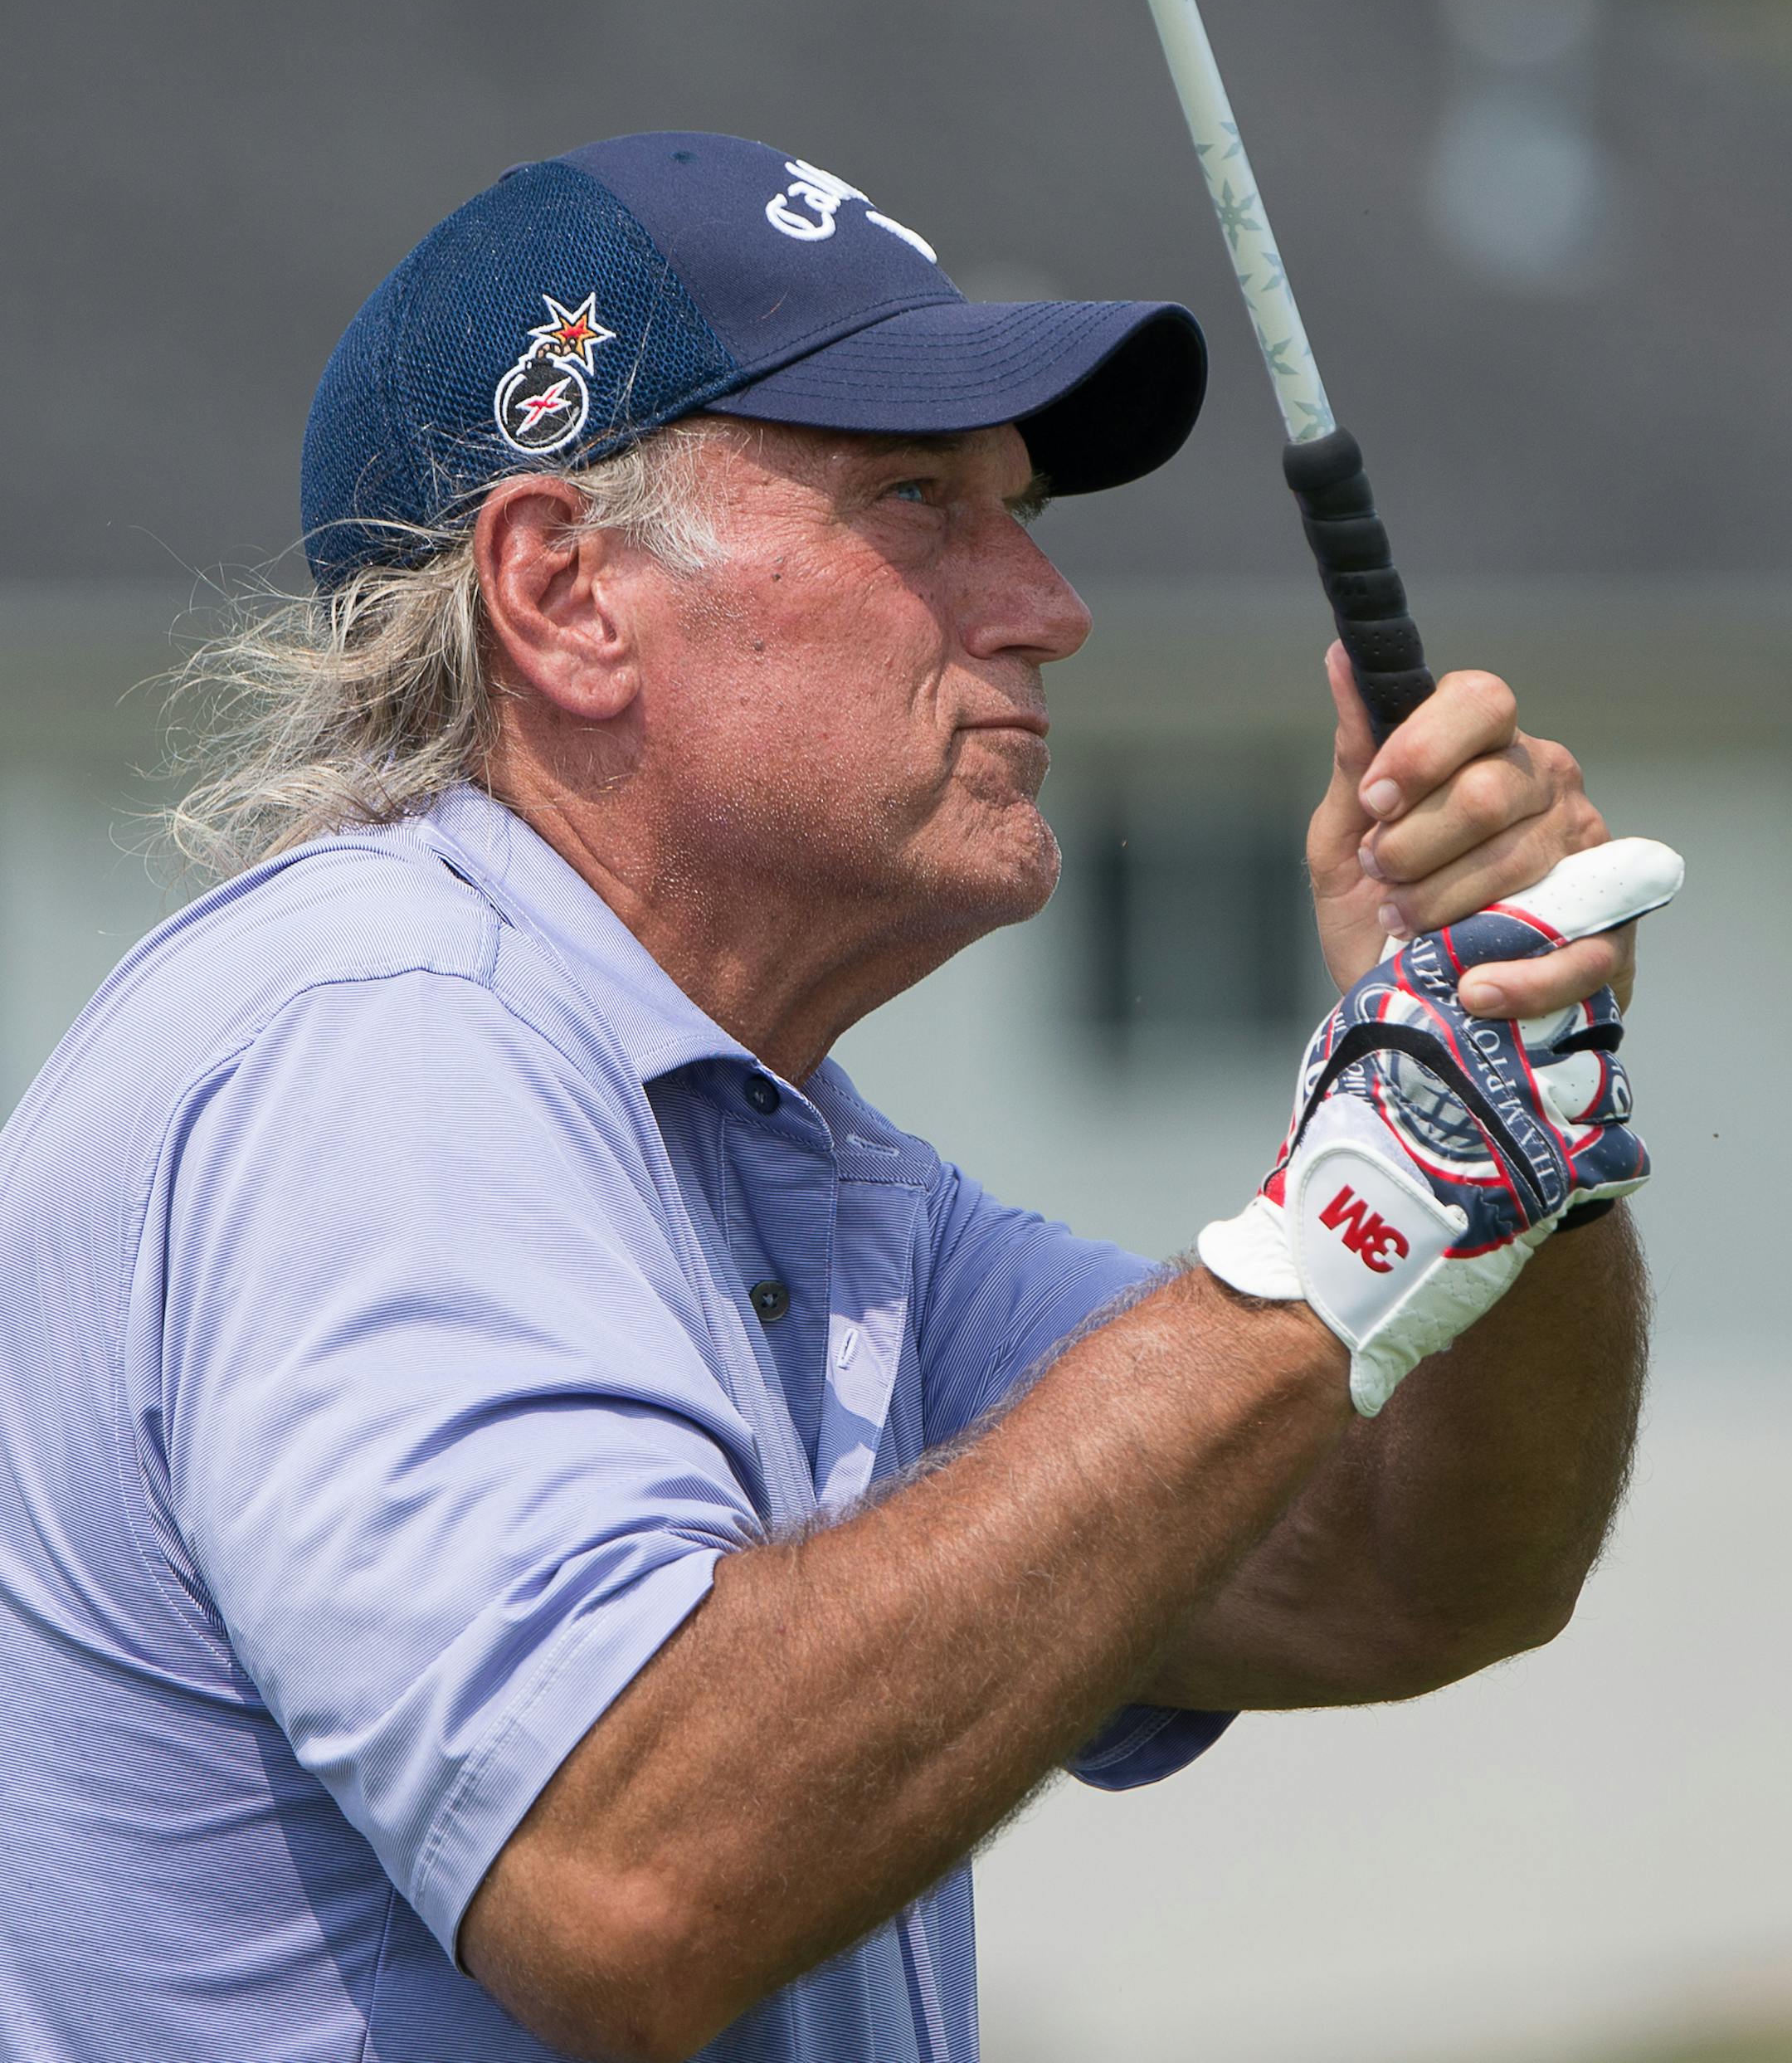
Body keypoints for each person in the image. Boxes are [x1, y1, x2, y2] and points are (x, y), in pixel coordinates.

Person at [0, 134, 1660, 2063]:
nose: (1048, 604)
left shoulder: (783, 1154)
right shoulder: (382, 1042)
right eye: (914, 501)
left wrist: (1512, 1144)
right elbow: (632, 1885)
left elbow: (1408, 1572)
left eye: (1021, 511)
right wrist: (1335, 1246)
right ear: (564, 595)